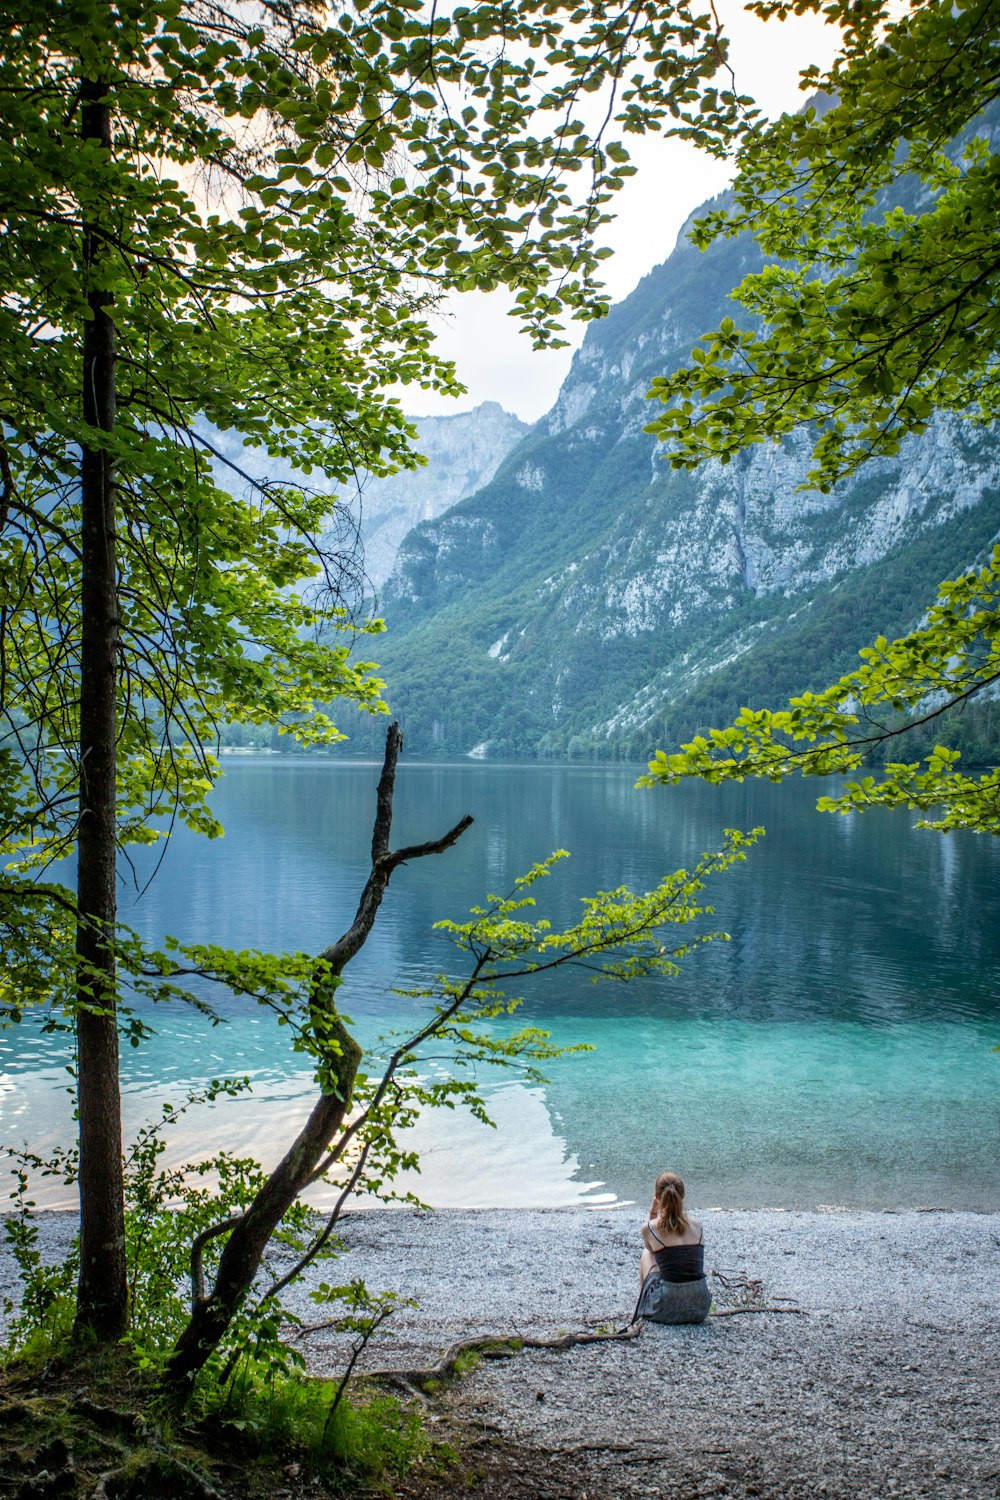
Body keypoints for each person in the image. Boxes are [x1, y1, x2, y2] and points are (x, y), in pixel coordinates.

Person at [635, 1169, 712, 1325]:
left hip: (665, 1307)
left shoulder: (649, 1228)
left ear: (657, 1198)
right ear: (683, 1196)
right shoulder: (698, 1225)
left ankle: (643, 1303)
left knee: (646, 1254)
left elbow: (651, 1249)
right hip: (700, 1307)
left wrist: (653, 1212)